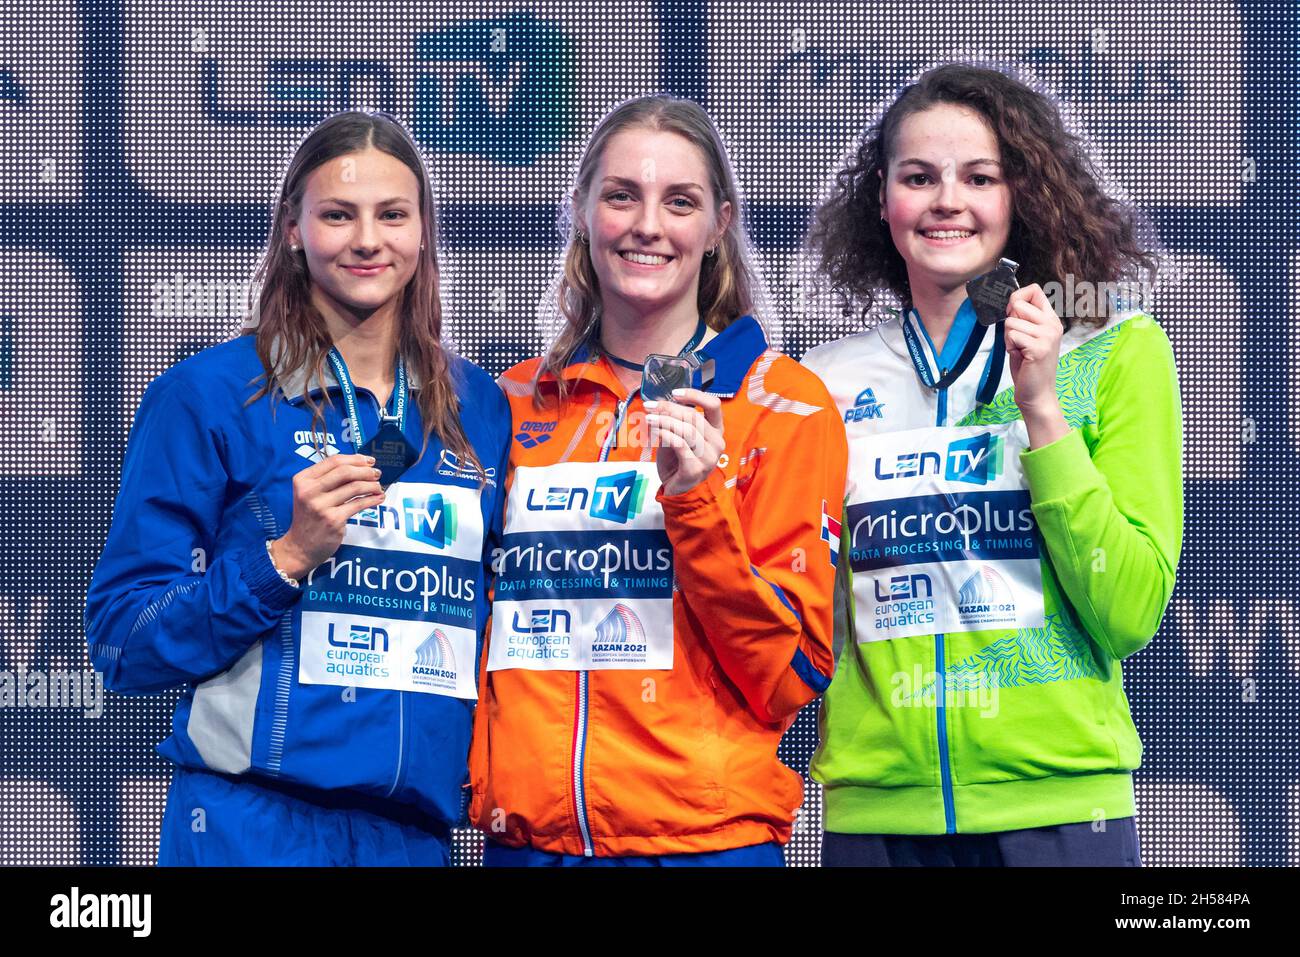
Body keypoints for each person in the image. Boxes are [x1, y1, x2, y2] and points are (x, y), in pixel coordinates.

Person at [84, 111, 510, 866]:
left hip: (412, 840)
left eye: (393, 215)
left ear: (423, 232)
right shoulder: (209, 395)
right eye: (338, 215)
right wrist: (282, 558)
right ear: (293, 229)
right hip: (250, 827)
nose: (368, 240)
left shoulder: (478, 408)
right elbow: (123, 637)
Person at [800, 63, 1183, 866]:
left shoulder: (1115, 350)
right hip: (878, 816)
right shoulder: (824, 382)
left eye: (980, 176)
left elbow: (1131, 609)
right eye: (918, 176)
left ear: (1021, 195)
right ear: (882, 199)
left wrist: (1041, 408)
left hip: (1061, 810)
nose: (948, 200)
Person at [469, 95, 848, 865]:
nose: (648, 225)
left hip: (702, 848)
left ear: (719, 227)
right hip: (527, 845)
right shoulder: (511, 402)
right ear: (581, 212)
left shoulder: (782, 404)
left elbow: (789, 674)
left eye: (680, 201)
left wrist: (696, 501)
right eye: (621, 196)